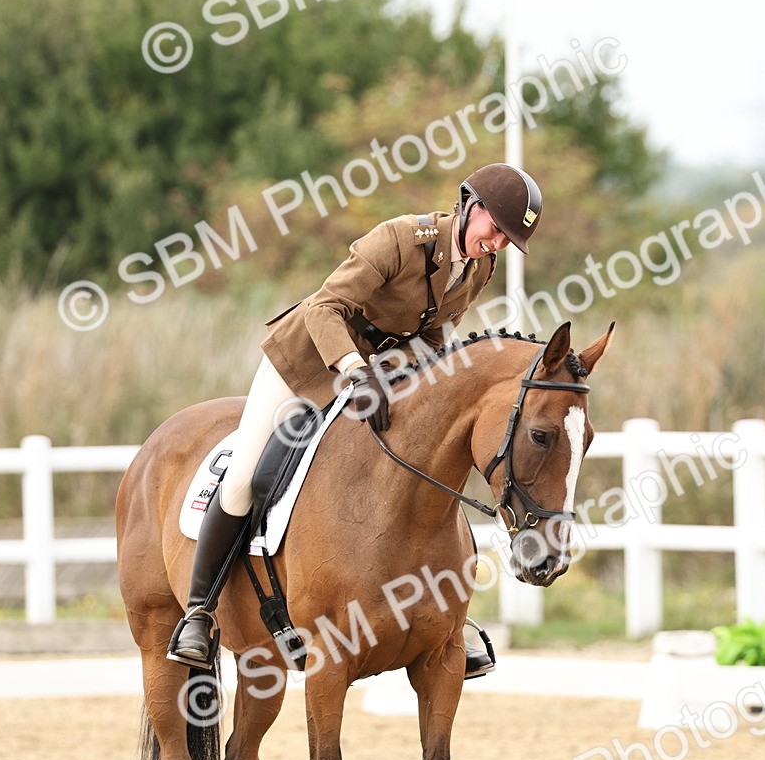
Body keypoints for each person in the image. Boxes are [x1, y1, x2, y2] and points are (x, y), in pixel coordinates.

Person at [168, 163, 544, 677]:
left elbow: (435, 334)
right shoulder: (399, 239)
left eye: (508, 238)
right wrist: (353, 370)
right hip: (306, 360)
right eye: (496, 228)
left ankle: (448, 617)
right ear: (470, 207)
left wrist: (430, 386)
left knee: (422, 469)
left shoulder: (478, 267)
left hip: (382, 370)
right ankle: (199, 612)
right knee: (244, 477)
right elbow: (325, 307)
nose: (498, 242)